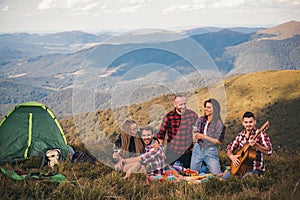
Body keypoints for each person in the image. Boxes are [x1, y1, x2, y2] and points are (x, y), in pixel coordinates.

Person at [157, 95, 198, 168]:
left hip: (187, 152)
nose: (183, 106)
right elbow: (161, 135)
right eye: (180, 104)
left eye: (184, 104)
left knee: (188, 173)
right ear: (175, 104)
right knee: (171, 175)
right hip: (172, 152)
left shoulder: (192, 115)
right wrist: (159, 151)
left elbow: (199, 129)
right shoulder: (169, 117)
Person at [226, 111, 272, 177]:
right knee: (224, 178)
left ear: (255, 122)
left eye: (250, 122)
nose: (248, 124)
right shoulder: (241, 135)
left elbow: (269, 151)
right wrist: (231, 156)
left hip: (255, 170)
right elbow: (229, 148)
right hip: (240, 168)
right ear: (243, 123)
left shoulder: (261, 134)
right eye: (246, 122)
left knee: (244, 180)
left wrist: (256, 145)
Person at [190, 98, 226, 174]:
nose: (206, 109)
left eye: (209, 107)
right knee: (193, 173)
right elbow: (195, 132)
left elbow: (218, 142)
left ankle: (205, 168)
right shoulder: (201, 120)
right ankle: (204, 169)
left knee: (217, 174)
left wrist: (204, 136)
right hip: (198, 149)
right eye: (206, 107)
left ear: (215, 109)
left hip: (210, 151)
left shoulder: (219, 124)